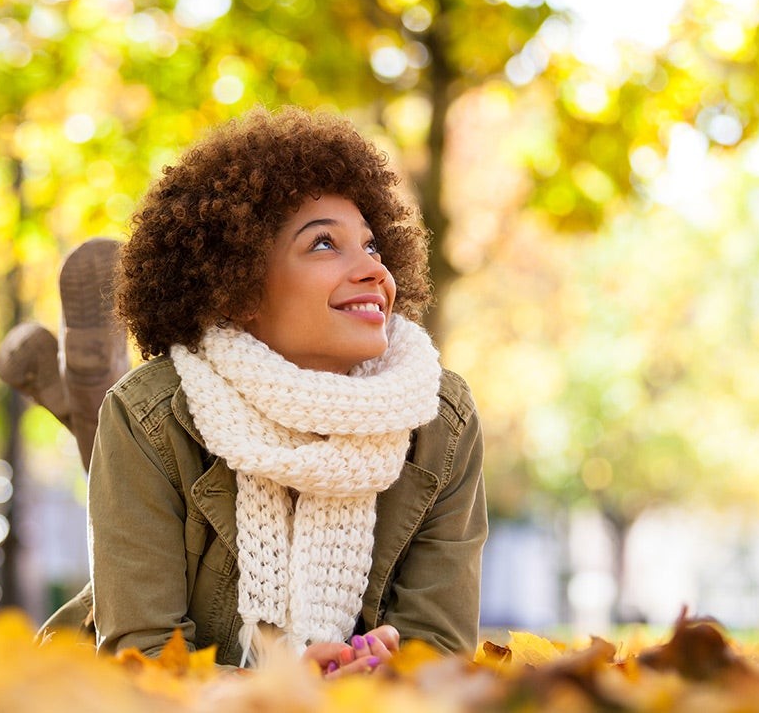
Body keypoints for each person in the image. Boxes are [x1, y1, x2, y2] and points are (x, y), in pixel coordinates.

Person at [41, 106, 487, 676]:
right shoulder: (148, 414)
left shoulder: (438, 418)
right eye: (325, 244)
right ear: (238, 289)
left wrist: (388, 680)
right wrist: (279, 688)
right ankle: (86, 375)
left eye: (373, 247)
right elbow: (144, 658)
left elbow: (439, 648)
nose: (374, 270)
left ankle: (82, 374)